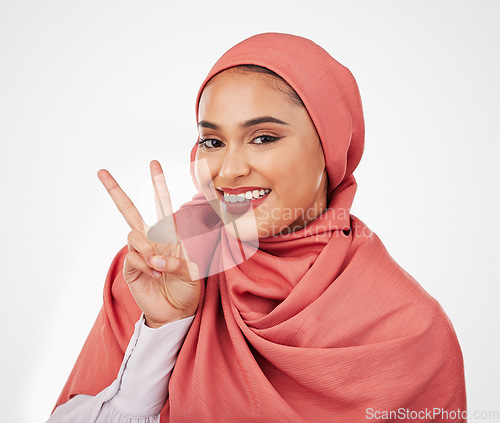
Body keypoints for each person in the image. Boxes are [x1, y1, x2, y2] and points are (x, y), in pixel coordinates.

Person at [47, 32, 466, 422]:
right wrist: (163, 329)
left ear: (330, 146)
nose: (229, 170)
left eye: (263, 138)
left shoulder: (408, 329)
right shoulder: (161, 264)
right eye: (212, 142)